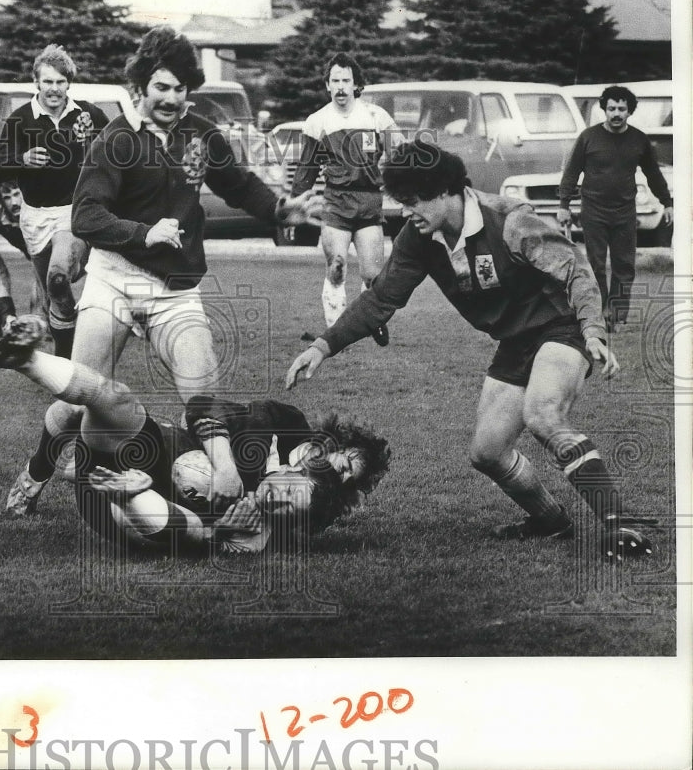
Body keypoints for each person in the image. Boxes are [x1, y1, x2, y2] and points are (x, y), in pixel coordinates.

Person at [286, 140, 655, 562]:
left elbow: (577, 272)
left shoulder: (511, 222)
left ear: (445, 191)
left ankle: (622, 523)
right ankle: (551, 522)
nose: (406, 211)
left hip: (562, 327)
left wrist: (593, 332)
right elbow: (381, 298)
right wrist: (323, 345)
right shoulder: (418, 237)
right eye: (401, 202)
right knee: (487, 453)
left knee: (543, 413)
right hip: (515, 342)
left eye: (412, 201)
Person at [4, 26, 319, 515]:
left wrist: (282, 210)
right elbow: (86, 216)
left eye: (180, 89)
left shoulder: (201, 134)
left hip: (173, 289)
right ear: (141, 88)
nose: (172, 99)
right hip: (113, 278)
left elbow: (237, 185)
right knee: (79, 399)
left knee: (202, 385)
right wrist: (142, 232)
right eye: (161, 88)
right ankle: (36, 473)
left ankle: (225, 475)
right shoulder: (116, 138)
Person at [0, 315, 390, 551]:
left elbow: (208, 538)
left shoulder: (271, 525)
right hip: (153, 450)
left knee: (187, 529)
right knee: (98, 403)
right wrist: (225, 466)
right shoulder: (277, 424)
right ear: (329, 442)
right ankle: (26, 362)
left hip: (126, 500)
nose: (333, 472)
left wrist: (226, 530)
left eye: (341, 480)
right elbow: (199, 407)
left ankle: (125, 495)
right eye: (340, 462)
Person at [0, 44, 109, 358]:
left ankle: (65, 357)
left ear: (68, 83)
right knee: (49, 286)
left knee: (58, 277)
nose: (53, 89)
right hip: (34, 217)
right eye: (47, 82)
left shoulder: (87, 114)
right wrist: (23, 159)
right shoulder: (21, 119)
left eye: (60, 82)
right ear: (37, 83)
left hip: (72, 214)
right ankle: (62, 343)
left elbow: (117, 148)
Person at [291, 52, 398, 345]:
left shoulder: (377, 117)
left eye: (345, 80)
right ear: (327, 85)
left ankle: (372, 320)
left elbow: (401, 156)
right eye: (335, 80)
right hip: (336, 204)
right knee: (336, 267)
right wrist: (293, 207)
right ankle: (336, 333)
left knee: (373, 276)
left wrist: (402, 184)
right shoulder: (317, 121)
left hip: (368, 203)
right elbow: (306, 170)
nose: (340, 87)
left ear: (355, 84)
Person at [558, 85, 673, 332]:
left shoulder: (639, 140)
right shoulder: (588, 137)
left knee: (624, 265)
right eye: (611, 108)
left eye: (622, 108)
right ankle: (599, 314)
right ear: (604, 109)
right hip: (593, 210)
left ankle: (617, 316)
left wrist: (667, 202)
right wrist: (564, 205)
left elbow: (653, 174)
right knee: (596, 264)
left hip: (624, 211)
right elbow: (571, 172)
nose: (616, 113)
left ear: (629, 111)